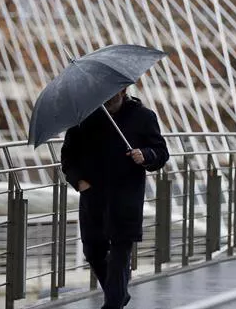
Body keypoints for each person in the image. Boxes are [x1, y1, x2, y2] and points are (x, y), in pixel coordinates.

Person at [61, 88, 169, 309]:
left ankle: (114, 301)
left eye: (111, 94)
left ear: (123, 90)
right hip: (93, 196)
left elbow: (161, 153)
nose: (107, 98)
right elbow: (68, 156)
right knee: (92, 250)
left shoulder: (143, 116)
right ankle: (117, 294)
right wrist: (80, 182)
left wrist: (145, 155)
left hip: (125, 196)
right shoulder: (84, 117)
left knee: (121, 249)